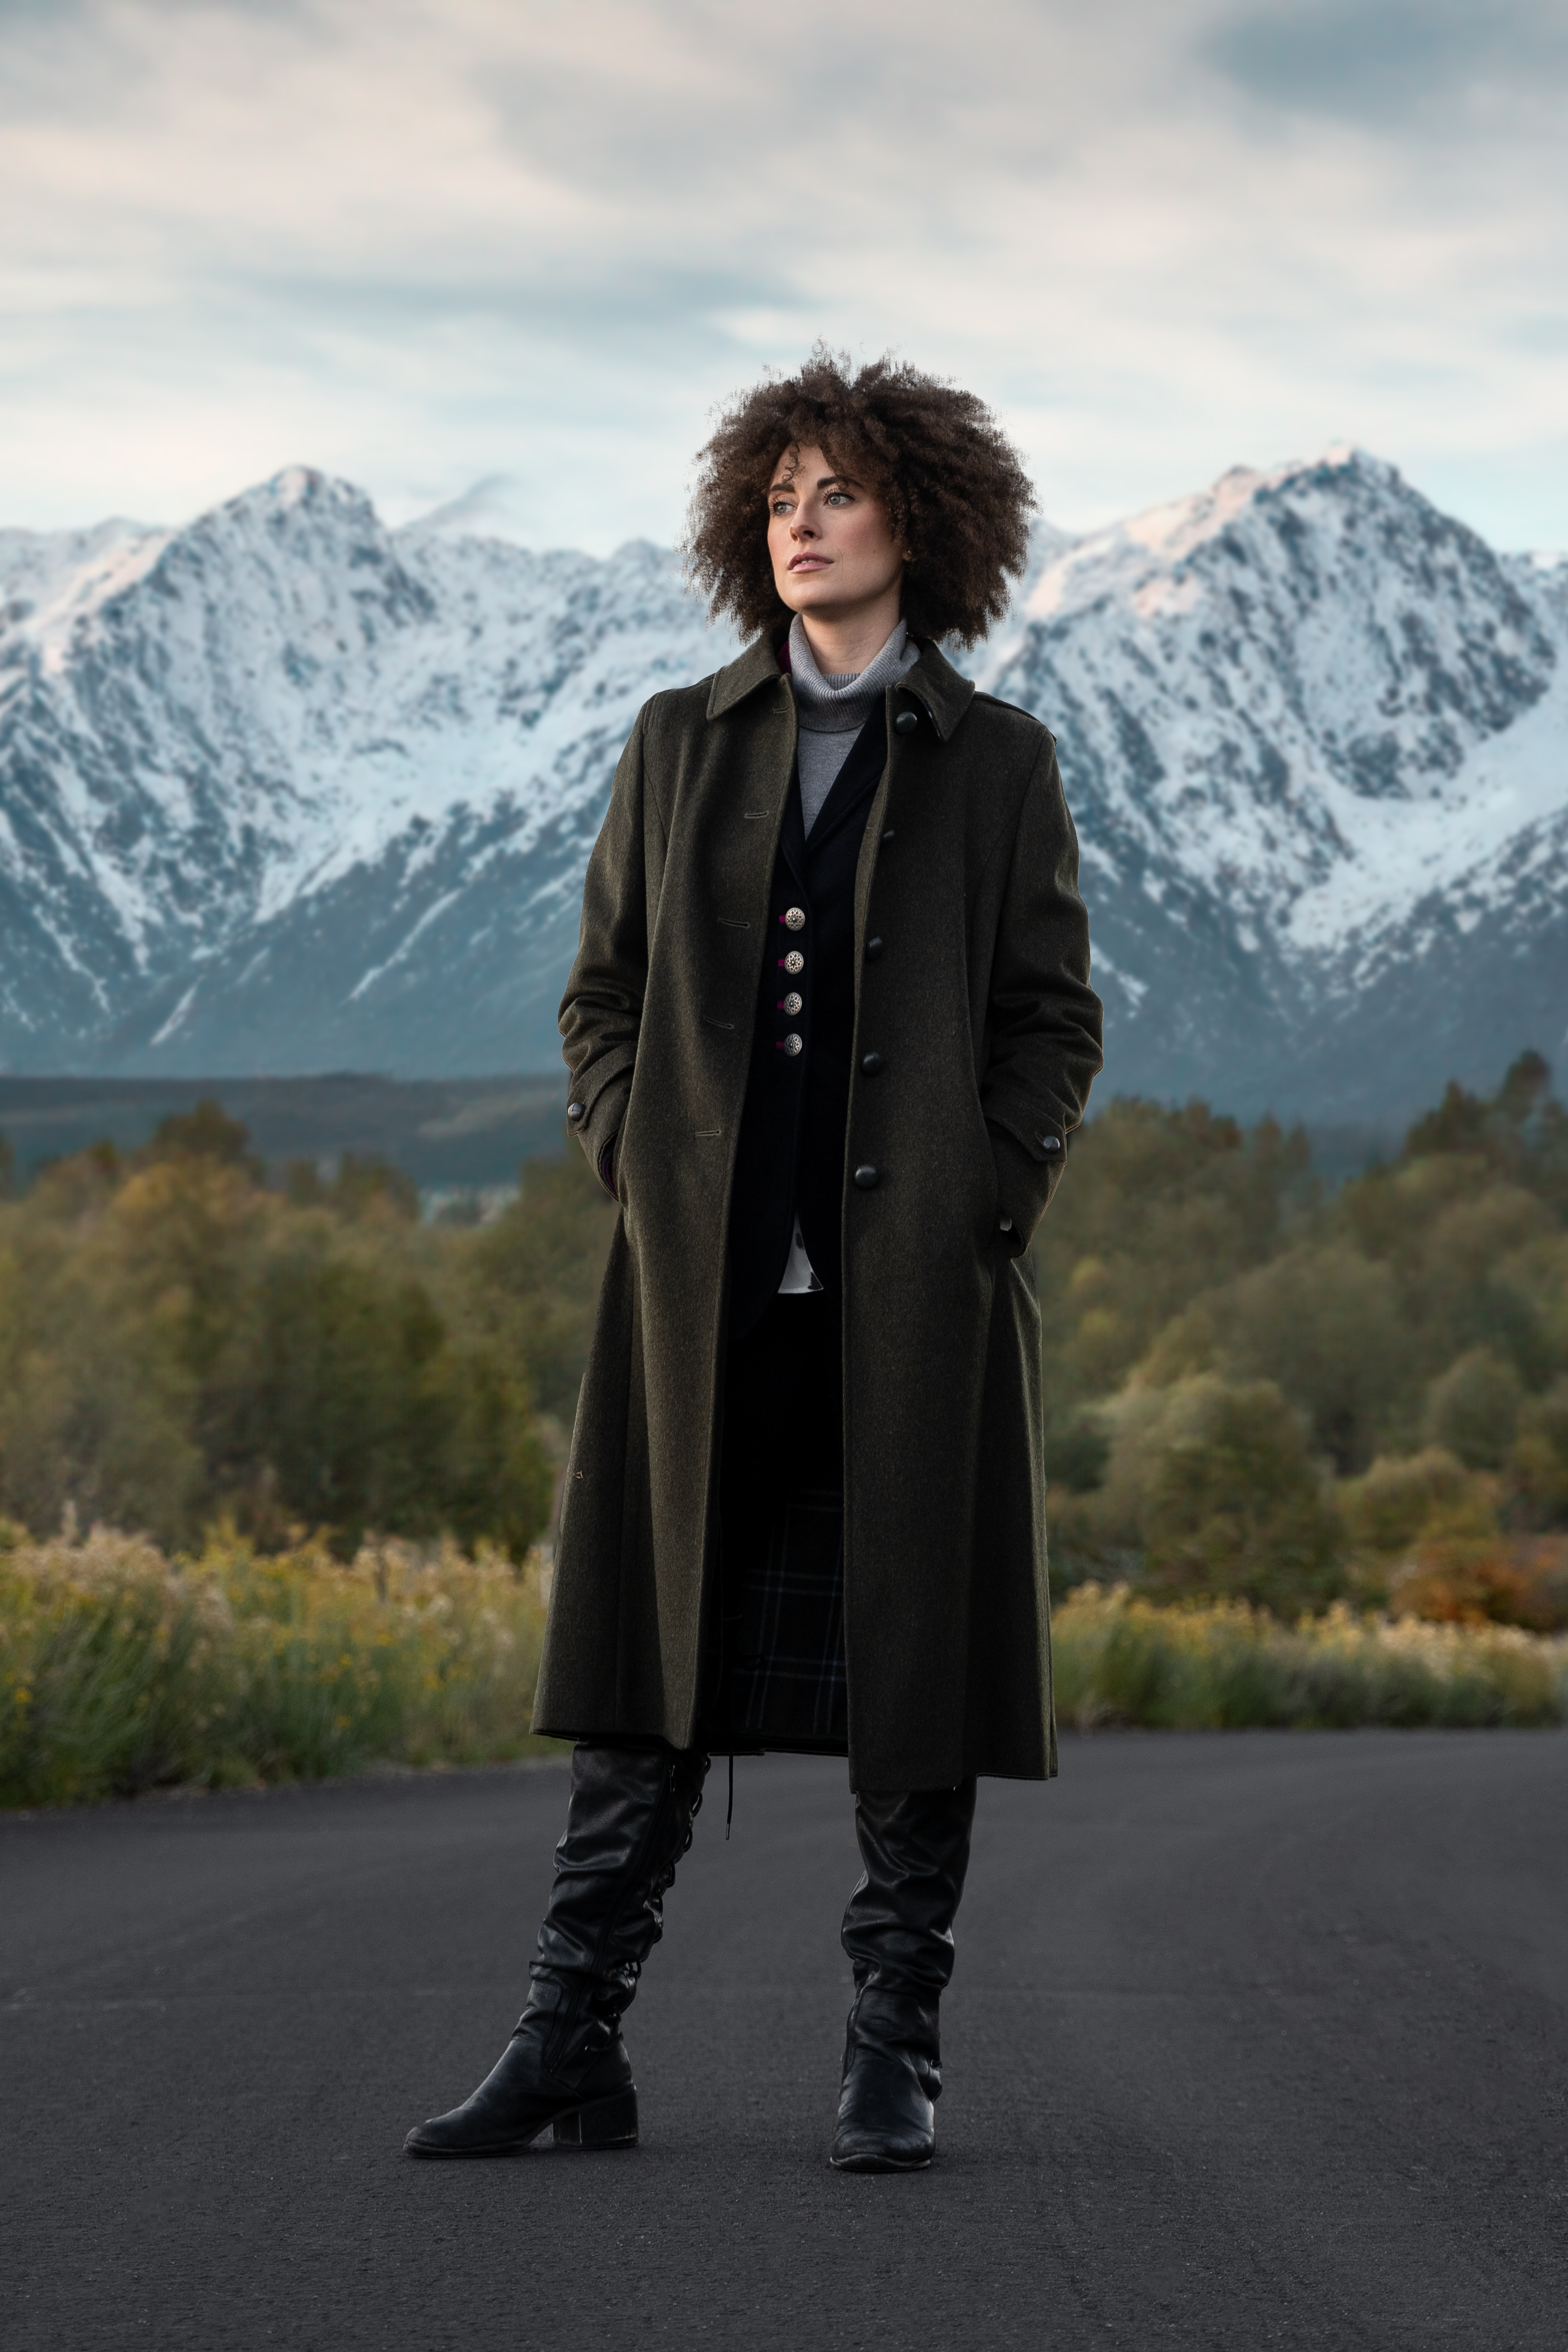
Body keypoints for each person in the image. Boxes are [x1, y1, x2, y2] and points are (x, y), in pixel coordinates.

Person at [405, 349, 1103, 2173]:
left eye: (839, 491)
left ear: (921, 526)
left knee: (910, 1683)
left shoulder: (998, 764)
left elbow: (1050, 1019)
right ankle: (567, 2044)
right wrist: (636, 1155)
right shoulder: (674, 739)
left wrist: (987, 1199)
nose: (803, 520)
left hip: (913, 1312)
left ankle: (893, 2052)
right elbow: (601, 995)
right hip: (699, 1306)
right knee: (650, 1678)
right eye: (780, 493)